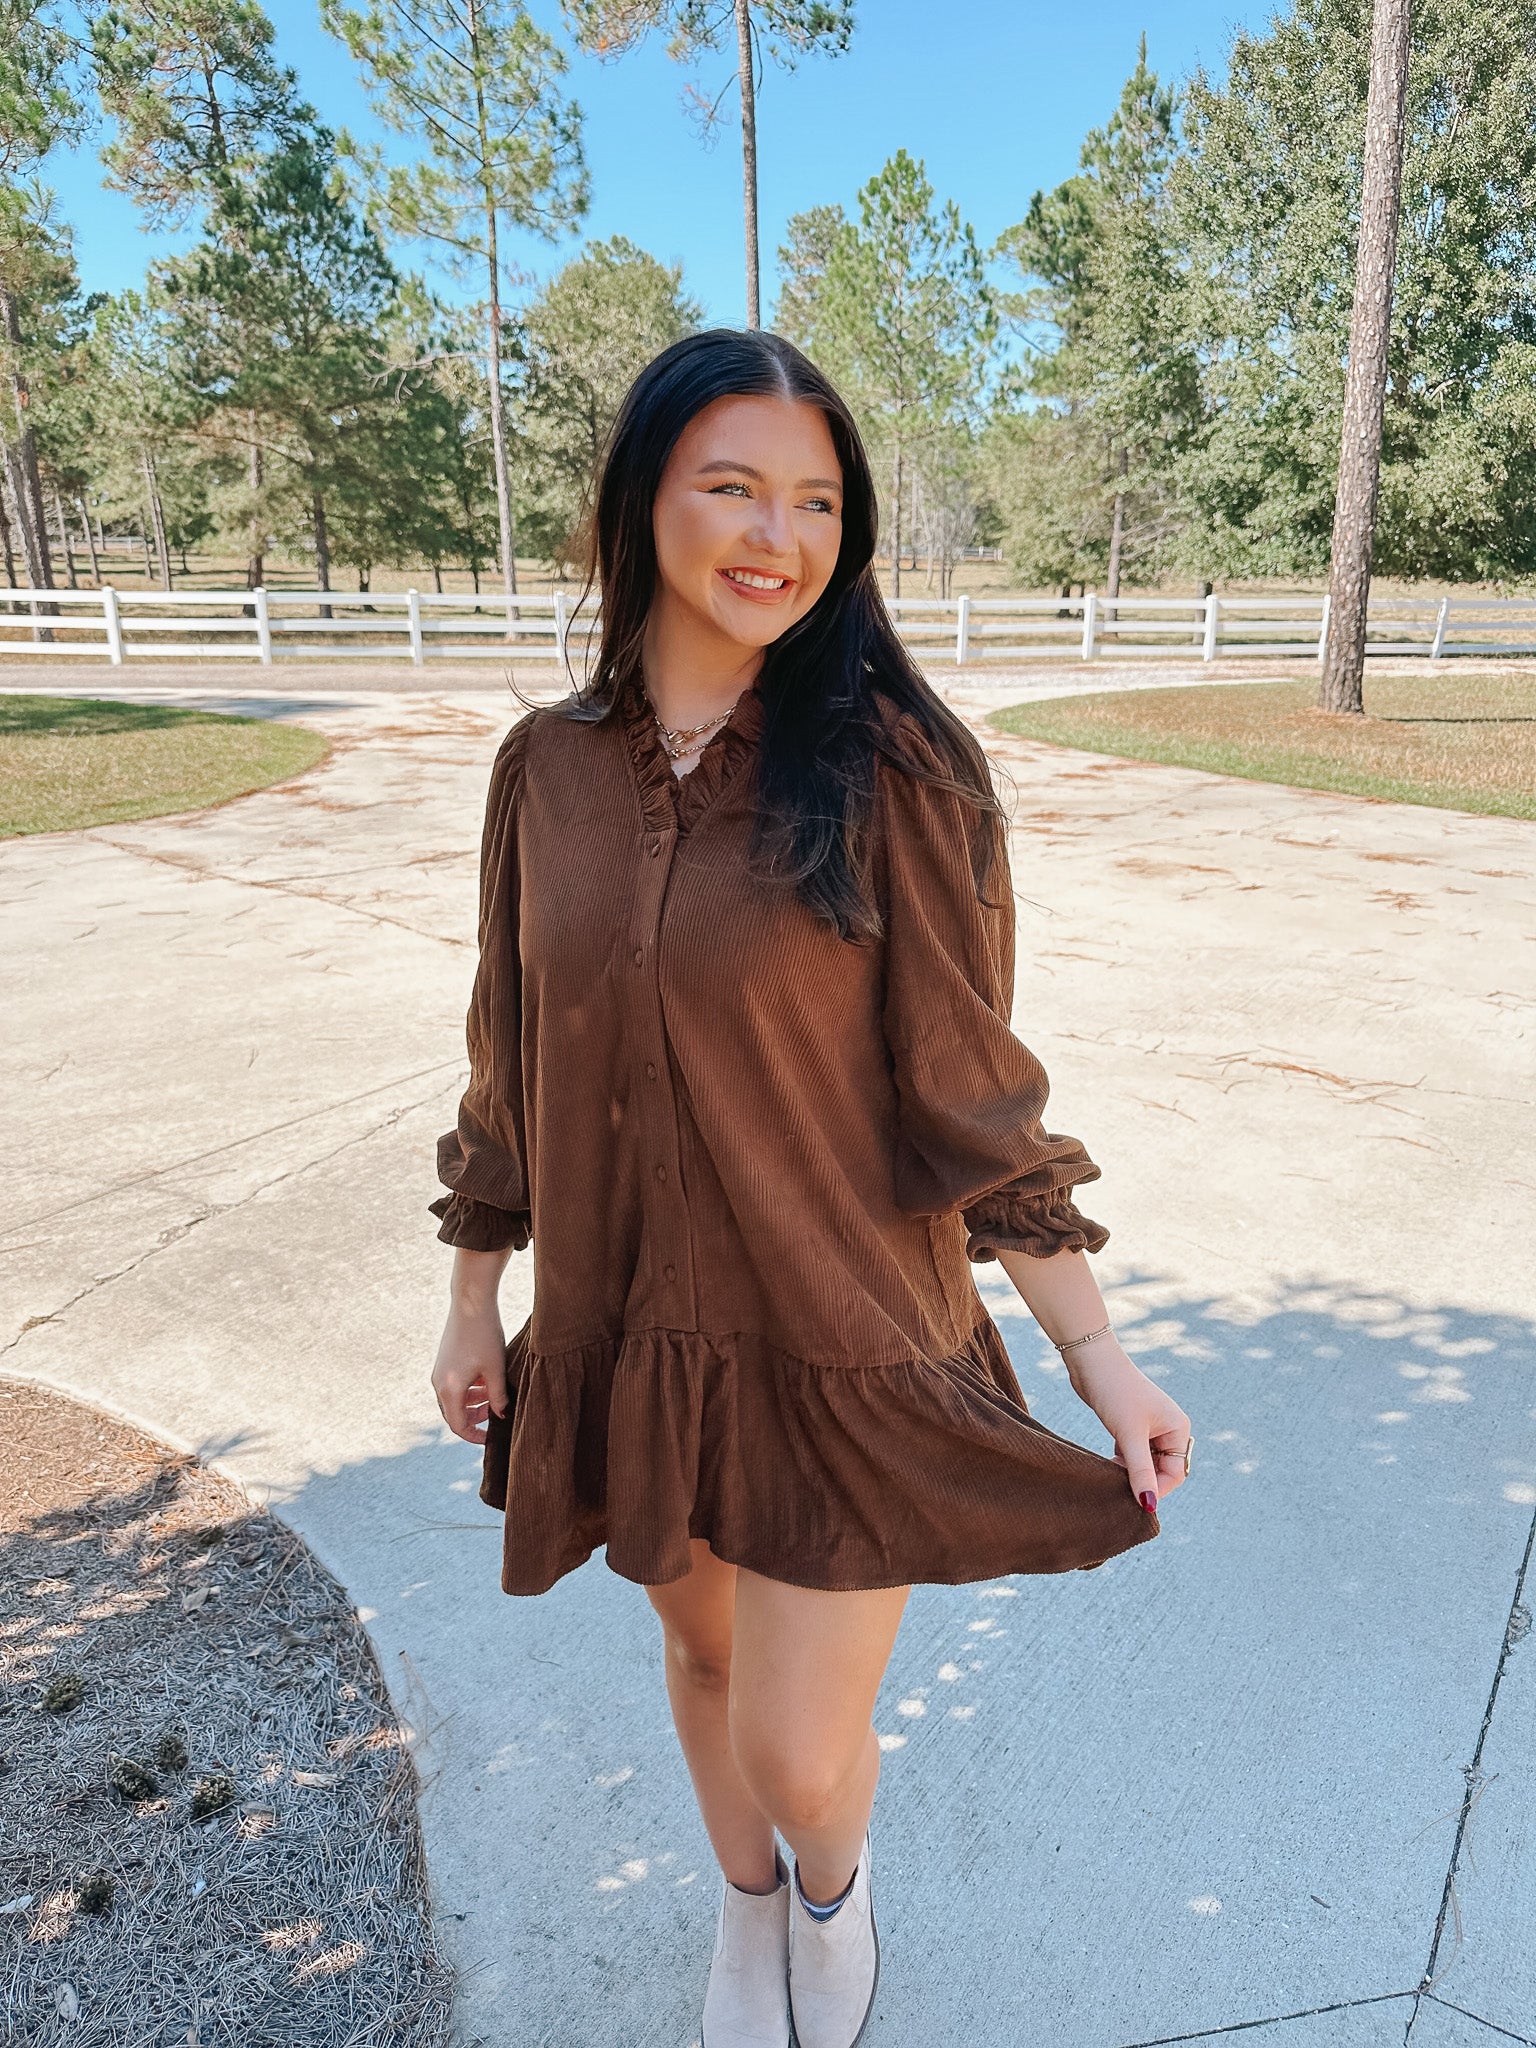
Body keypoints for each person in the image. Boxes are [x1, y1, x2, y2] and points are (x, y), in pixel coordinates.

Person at [428, 328, 1193, 2048]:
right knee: (696, 1664)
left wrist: (1096, 1355)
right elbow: (510, 1048)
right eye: (733, 487)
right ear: (641, 503)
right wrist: (479, 1293)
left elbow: (970, 1083)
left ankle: (834, 1906)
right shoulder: (543, 772)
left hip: (843, 1333)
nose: (778, 534)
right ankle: (746, 1909)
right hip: (632, 1329)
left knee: (795, 1736)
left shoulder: (897, 769)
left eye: (819, 501)